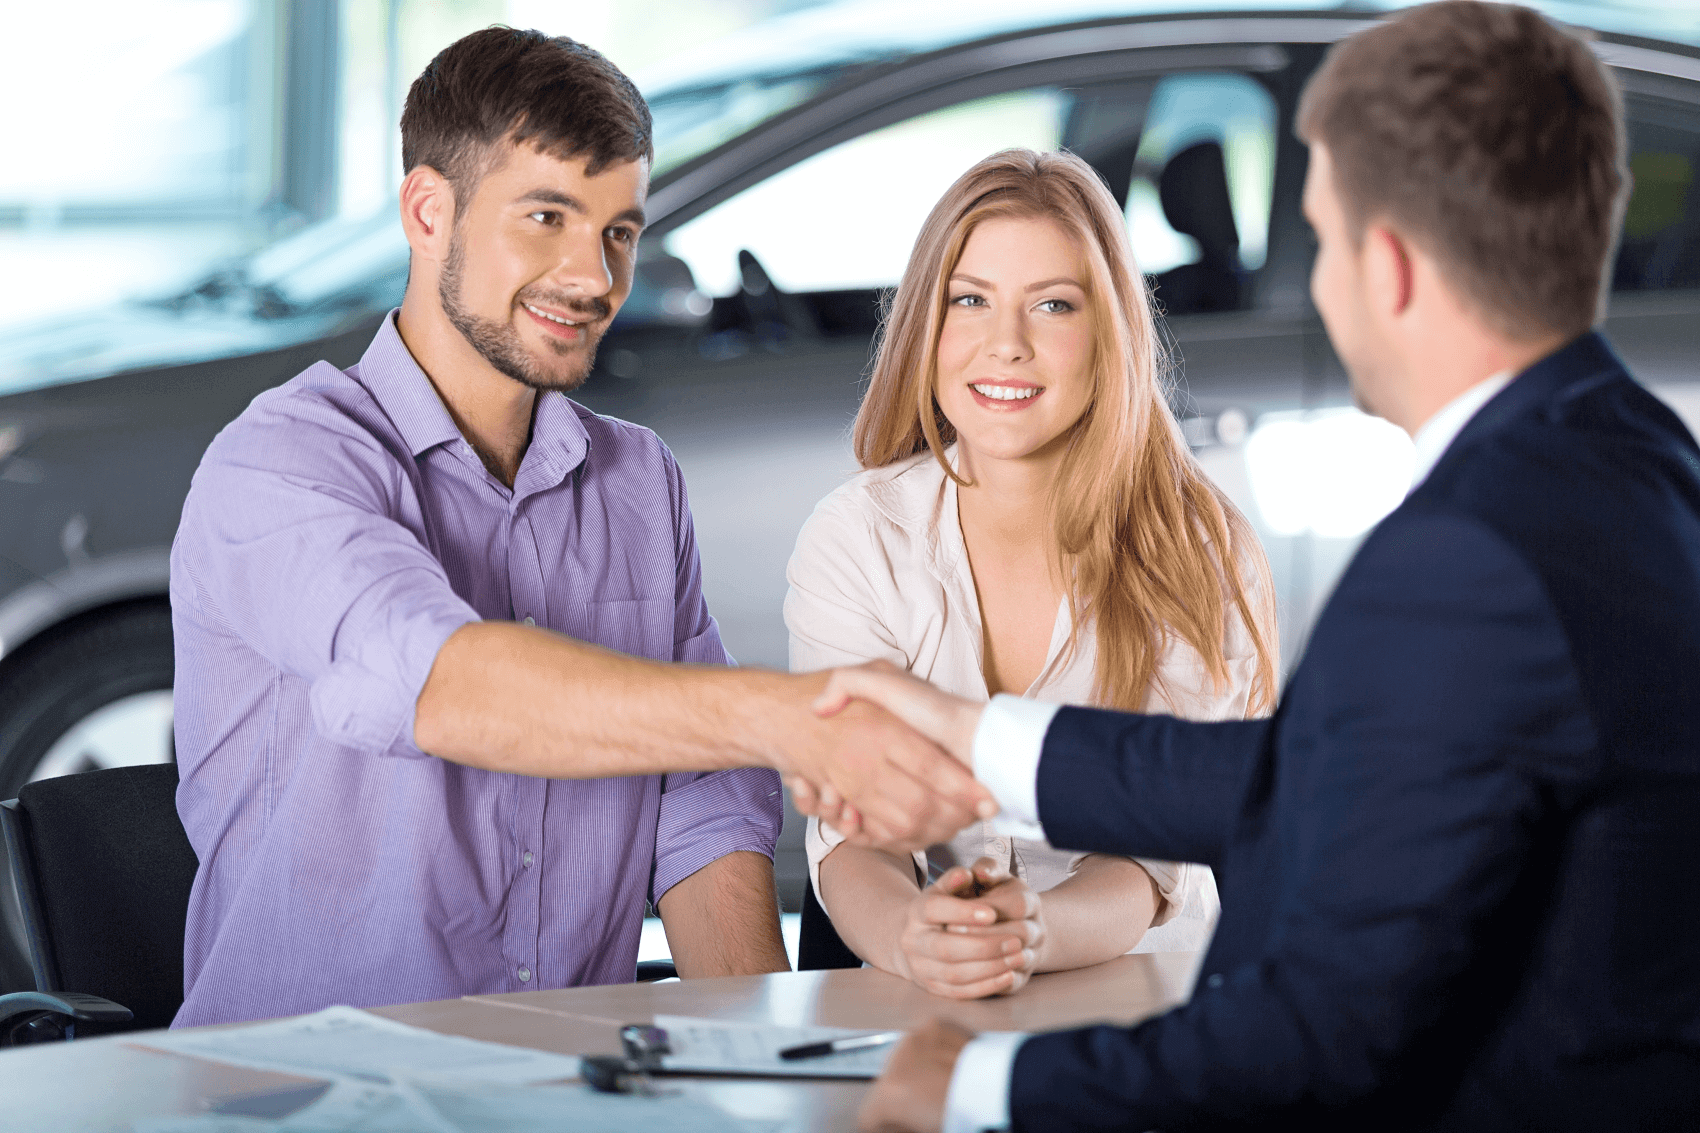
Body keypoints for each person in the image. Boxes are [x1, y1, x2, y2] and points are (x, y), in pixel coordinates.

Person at [806, 2, 1700, 1129]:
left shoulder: (1464, 551)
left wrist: (976, 1086)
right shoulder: (1635, 458)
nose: (1315, 289)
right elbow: (1316, 775)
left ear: (1386, 266)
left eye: (1318, 240)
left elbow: (1319, 1033)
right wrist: (971, 735)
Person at [168, 28, 989, 1027]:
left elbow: (701, 805)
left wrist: (765, 1071)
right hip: (301, 1090)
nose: (594, 277)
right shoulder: (282, 463)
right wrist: (787, 715)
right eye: (547, 217)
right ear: (429, 212)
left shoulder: (638, 480)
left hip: (565, 1082)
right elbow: (442, 683)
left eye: (618, 232)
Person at [785, 150, 1277, 999]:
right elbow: (853, 831)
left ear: (1108, 333)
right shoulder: (856, 536)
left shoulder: (1194, 547)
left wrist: (1028, 930)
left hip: (1146, 1002)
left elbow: (1149, 853)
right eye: (970, 300)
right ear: (927, 326)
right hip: (915, 1005)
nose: (1005, 345)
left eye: (1052, 305)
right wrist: (916, 936)